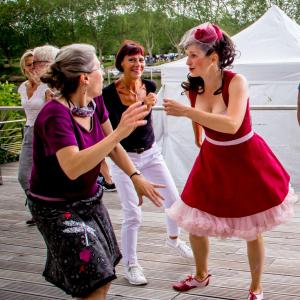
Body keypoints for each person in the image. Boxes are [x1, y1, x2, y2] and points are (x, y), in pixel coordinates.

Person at [162, 23, 297, 300]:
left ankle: (256, 288)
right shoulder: (194, 87)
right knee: (193, 221)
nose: (187, 61)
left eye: (193, 55)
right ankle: (201, 276)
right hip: (212, 158)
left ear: (213, 58)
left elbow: (233, 124)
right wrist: (200, 138)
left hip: (244, 158)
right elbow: (200, 124)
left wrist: (188, 113)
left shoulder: (237, 82)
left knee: (252, 227)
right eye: (187, 55)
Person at [27, 43, 164, 300]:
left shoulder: (93, 101)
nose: (105, 72)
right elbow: (73, 166)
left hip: (89, 199)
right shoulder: (55, 114)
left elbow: (111, 145)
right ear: (85, 78)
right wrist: (122, 132)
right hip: (56, 207)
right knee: (94, 279)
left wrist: (136, 177)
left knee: (103, 273)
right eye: (99, 67)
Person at [102, 40, 193, 286]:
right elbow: (114, 131)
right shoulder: (108, 94)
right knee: (133, 214)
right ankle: (131, 265)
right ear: (121, 63)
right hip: (124, 157)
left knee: (174, 201)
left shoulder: (150, 85)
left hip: (151, 153)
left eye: (141, 59)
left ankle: (173, 240)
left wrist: (148, 102)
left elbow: (146, 123)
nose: (138, 64)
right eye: (132, 59)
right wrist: (144, 105)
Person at [17, 45, 59, 225]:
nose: (31, 68)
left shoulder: (46, 86)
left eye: (34, 64)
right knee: (23, 175)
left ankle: (45, 210)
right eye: (28, 65)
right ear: (23, 67)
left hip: (44, 132)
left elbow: (53, 109)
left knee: (48, 174)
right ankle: (37, 206)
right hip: (29, 131)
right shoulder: (22, 87)